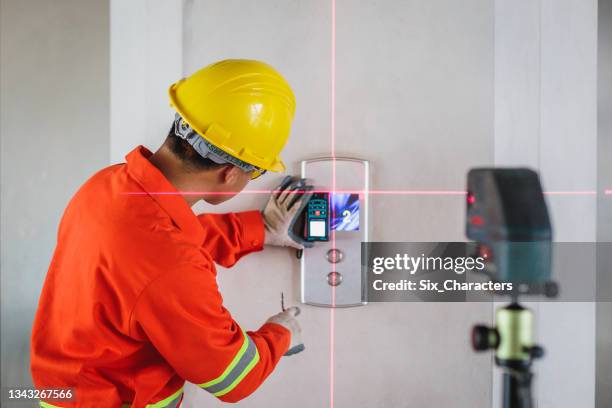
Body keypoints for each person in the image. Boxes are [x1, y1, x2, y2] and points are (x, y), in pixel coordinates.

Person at [30, 59, 312, 407]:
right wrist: (281, 332)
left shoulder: (108, 185)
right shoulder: (167, 261)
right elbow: (234, 378)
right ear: (230, 173)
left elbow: (154, 250)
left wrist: (260, 230)